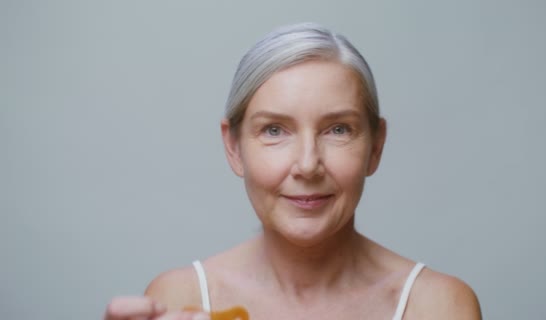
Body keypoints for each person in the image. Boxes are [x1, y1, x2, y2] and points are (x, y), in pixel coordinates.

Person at [104, 22, 482, 320]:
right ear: (233, 147)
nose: (306, 165)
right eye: (274, 130)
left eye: (338, 129)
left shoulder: (439, 307)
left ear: (376, 146)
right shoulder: (179, 300)